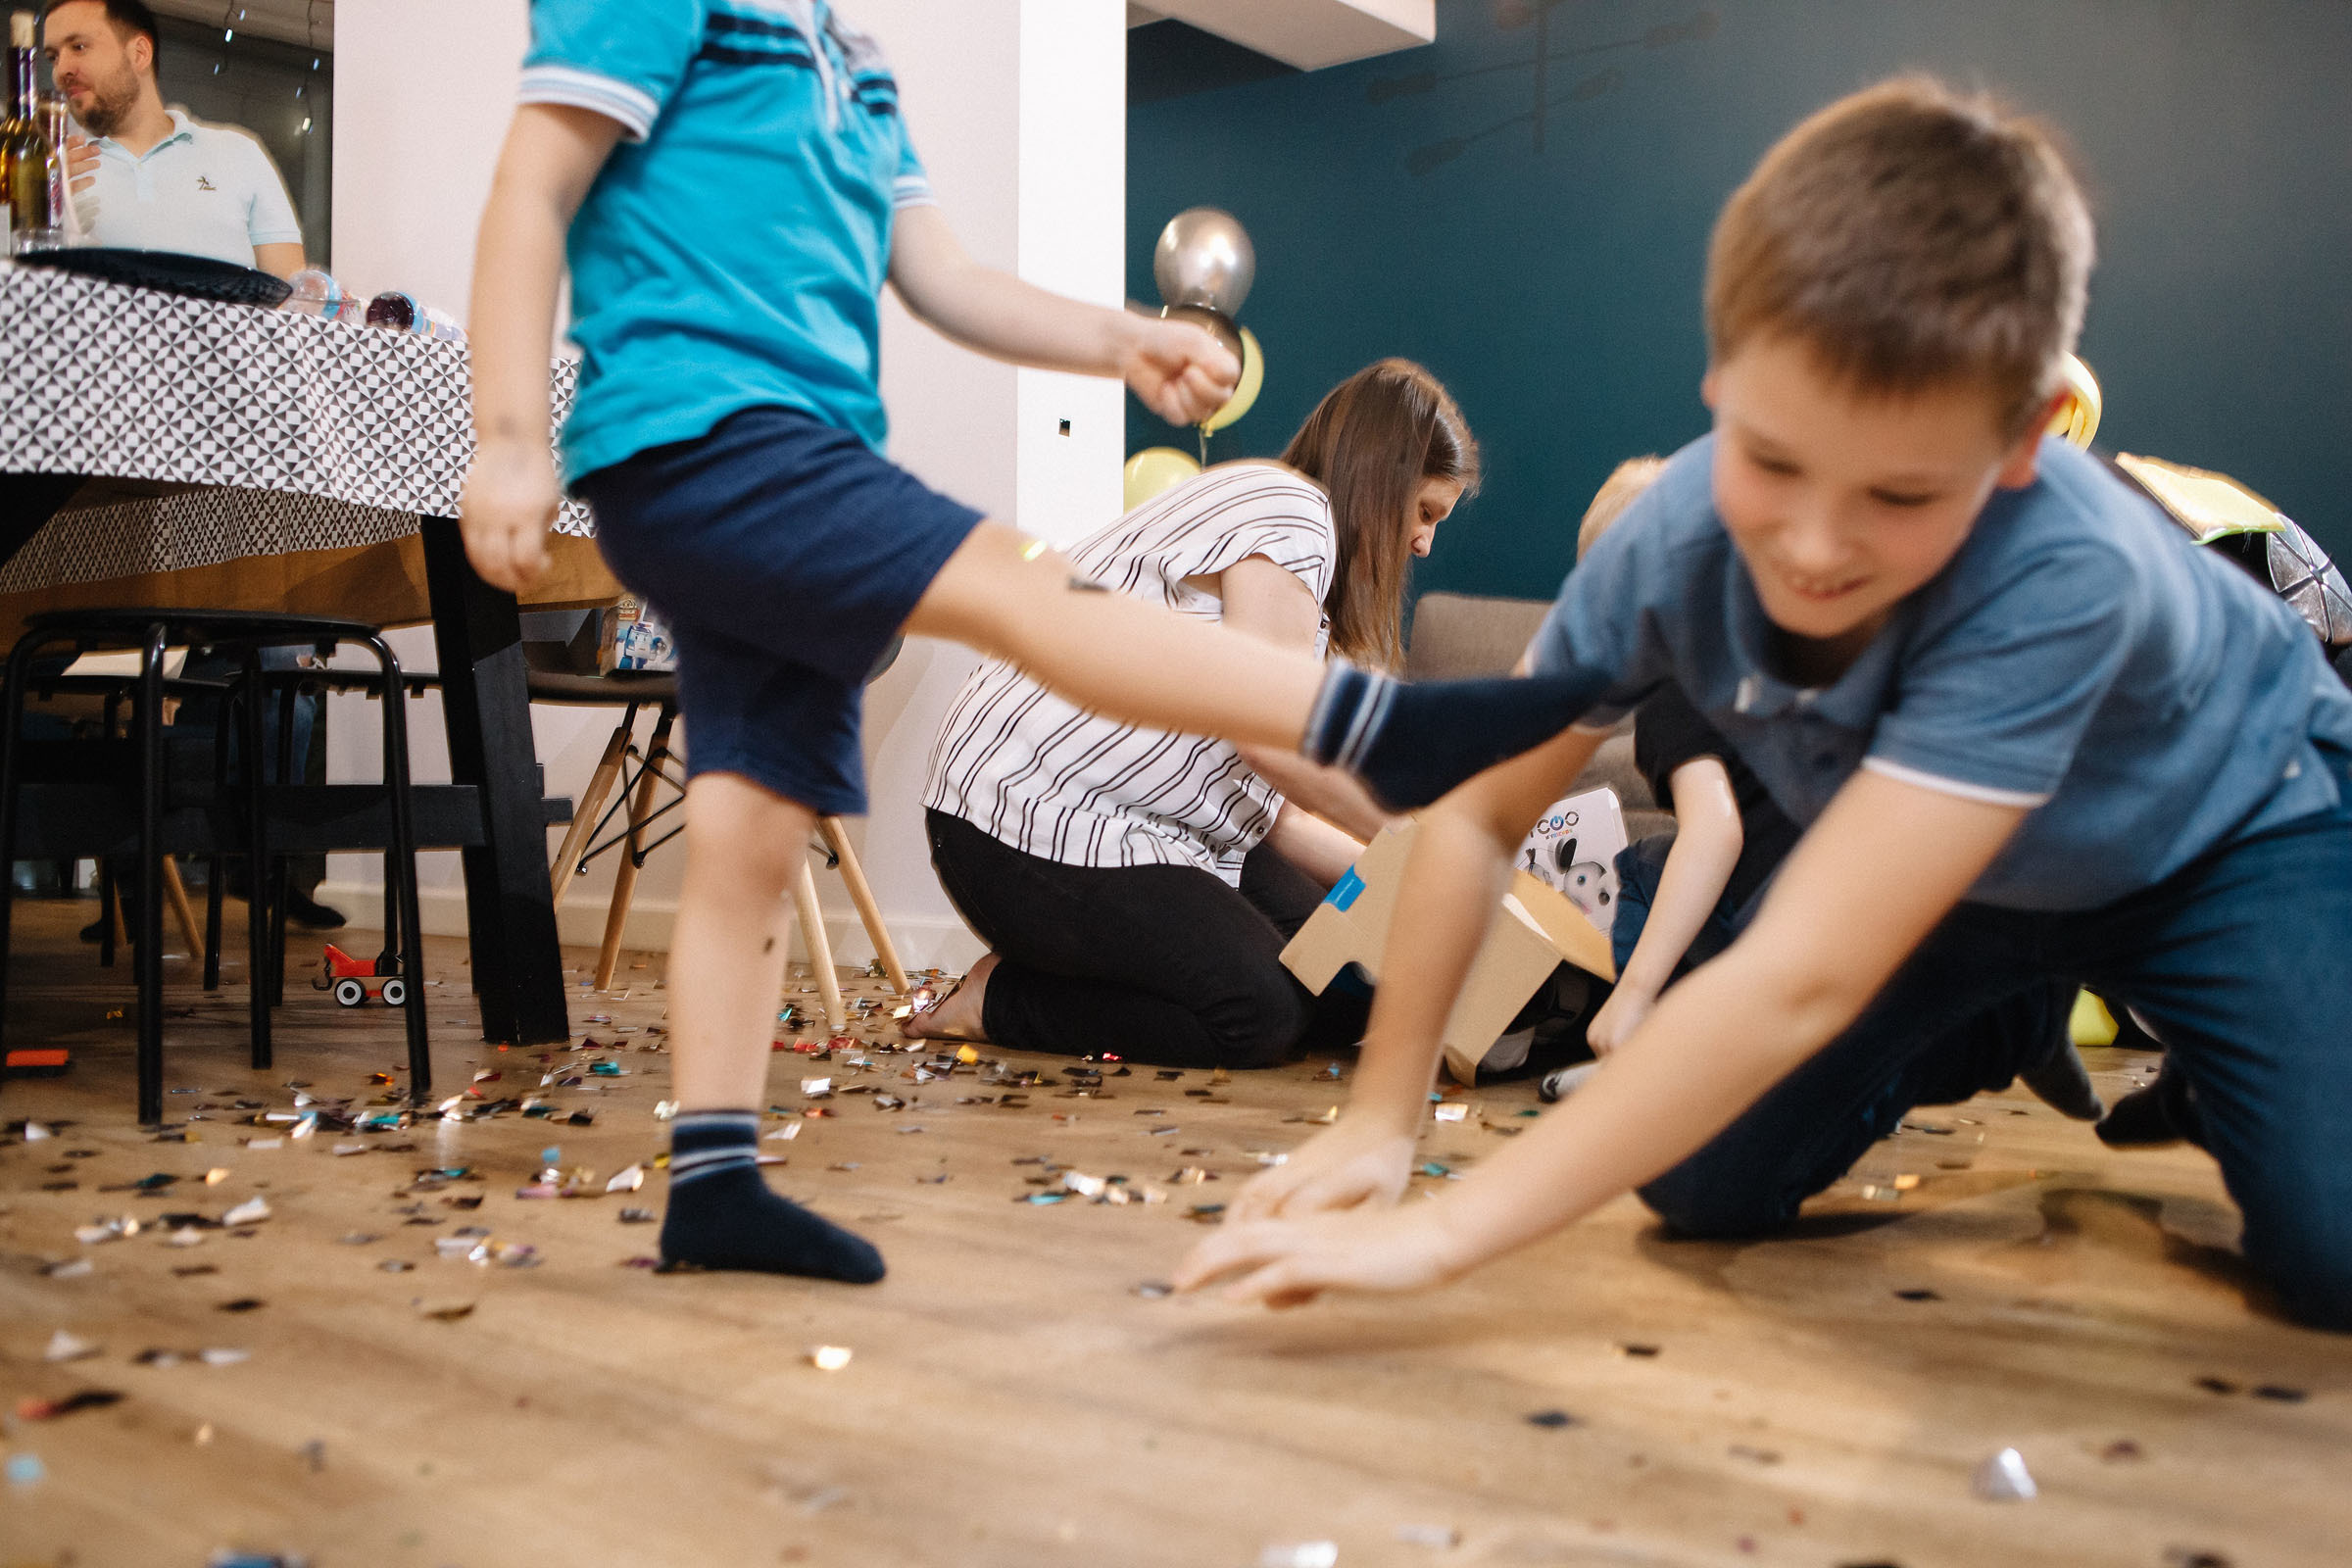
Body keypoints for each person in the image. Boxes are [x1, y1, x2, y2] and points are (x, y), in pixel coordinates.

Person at [1176, 77, 2352, 1333]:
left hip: (2229, 836)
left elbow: (1799, 978)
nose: (1814, 546)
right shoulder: (1664, 542)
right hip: (1965, 883)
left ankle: (2246, 1059)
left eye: (1901, 498)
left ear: (2024, 448)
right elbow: (1474, 817)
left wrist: (1447, 1232)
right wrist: (1379, 1118)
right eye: (1773, 462)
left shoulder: (2071, 573)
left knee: (2332, 1245)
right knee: (1698, 1181)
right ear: (1720, 383)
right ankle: (1995, 1019)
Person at [461, 3, 1604, 1285]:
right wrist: (507, 433)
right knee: (1031, 591)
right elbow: (532, 182)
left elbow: (944, 277)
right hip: (713, 434)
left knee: (748, 839)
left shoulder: (856, 64)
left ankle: (715, 1183)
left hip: (801, 455)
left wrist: (1121, 339)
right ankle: (1387, 729)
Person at [908, 361, 1474, 1068]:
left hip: (1144, 826)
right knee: (1261, 1014)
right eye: (1425, 513)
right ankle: (1001, 1000)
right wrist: (1423, 844)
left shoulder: (1302, 580)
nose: (1424, 544)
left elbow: (1279, 812)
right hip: (1026, 815)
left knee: (1337, 982)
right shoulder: (1292, 514)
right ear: (1383, 477)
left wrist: (1402, 874)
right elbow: (1276, 748)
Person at [1551, 459, 2100, 1121]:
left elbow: (1715, 830)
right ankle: (1976, 1028)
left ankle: (1653, 1045)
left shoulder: (1672, 676)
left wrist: (1633, 993)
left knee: (1638, 870)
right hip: (1886, 895)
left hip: (1791, 916)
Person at [39, 0, 306, 277]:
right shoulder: (56, 173)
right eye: (53, 57)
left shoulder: (241, 154)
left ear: (140, 53)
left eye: (79, 47)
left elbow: (292, 301)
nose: (61, 71)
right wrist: (45, 207)